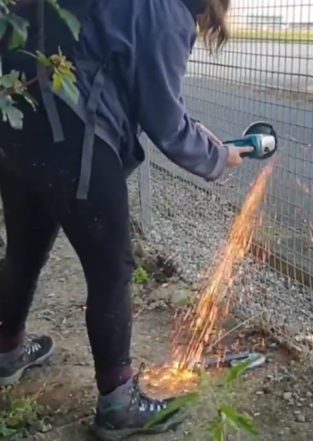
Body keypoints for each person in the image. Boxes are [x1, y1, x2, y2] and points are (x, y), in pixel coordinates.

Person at [0, 0, 253, 438]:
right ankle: (118, 403)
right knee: (112, 270)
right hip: (75, 141)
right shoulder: (166, 9)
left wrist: (195, 129)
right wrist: (218, 156)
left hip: (19, 127)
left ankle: (6, 350)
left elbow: (125, 75)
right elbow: (165, 121)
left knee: (24, 250)